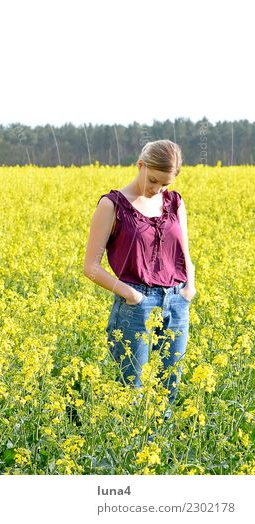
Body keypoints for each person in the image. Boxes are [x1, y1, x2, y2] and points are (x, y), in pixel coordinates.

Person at [83, 139, 196, 422]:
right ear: (141, 165)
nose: (157, 189)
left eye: (165, 184)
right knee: (131, 394)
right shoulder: (112, 205)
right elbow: (90, 267)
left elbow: (185, 252)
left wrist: (189, 288)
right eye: (154, 180)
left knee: (168, 390)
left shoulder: (175, 202)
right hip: (137, 305)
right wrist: (132, 295)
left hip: (177, 302)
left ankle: (160, 459)